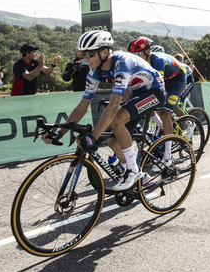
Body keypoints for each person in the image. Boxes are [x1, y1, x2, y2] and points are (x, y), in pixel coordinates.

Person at [46, 30, 167, 192]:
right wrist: (59, 133)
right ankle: (138, 173)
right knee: (113, 142)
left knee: (117, 120)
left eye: (89, 54)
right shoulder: (93, 71)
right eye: (83, 54)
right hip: (135, 92)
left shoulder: (122, 63)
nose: (85, 59)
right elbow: (82, 106)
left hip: (154, 91)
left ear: (104, 52)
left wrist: (93, 138)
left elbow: (114, 106)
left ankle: (133, 172)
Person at [128, 36, 192, 143]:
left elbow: (158, 87)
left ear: (147, 51)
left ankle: (168, 155)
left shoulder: (158, 61)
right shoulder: (139, 64)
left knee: (165, 113)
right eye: (133, 55)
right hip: (166, 79)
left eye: (138, 54)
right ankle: (161, 125)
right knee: (145, 105)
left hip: (178, 79)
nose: (135, 58)